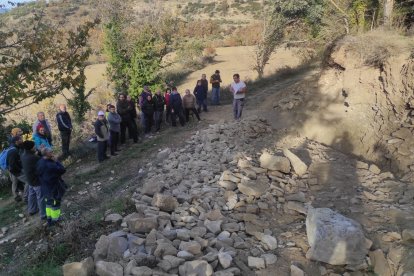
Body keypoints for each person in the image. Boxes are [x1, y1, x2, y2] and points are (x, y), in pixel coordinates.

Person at [36, 147, 66, 226]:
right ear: (48, 154)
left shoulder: (40, 162)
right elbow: (62, 170)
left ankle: (49, 219)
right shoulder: (51, 165)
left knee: (48, 203)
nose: (53, 153)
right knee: (55, 203)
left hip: (44, 187)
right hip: (53, 187)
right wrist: (57, 161)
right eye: (51, 152)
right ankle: (55, 220)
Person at [20, 140, 45, 219]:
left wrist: (37, 152)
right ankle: (43, 215)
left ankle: (32, 210)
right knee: (41, 197)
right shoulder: (33, 157)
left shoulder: (23, 155)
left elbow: (35, 157)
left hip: (29, 179)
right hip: (36, 180)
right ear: (31, 148)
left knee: (32, 195)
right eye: (34, 146)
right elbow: (43, 161)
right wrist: (41, 152)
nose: (35, 147)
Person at [7, 136, 25, 202]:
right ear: (16, 141)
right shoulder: (13, 150)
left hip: (12, 169)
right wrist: (20, 170)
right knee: (16, 182)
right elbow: (12, 164)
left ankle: (18, 196)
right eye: (20, 139)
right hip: (13, 169)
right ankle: (17, 196)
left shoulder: (14, 148)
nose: (22, 140)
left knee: (15, 182)